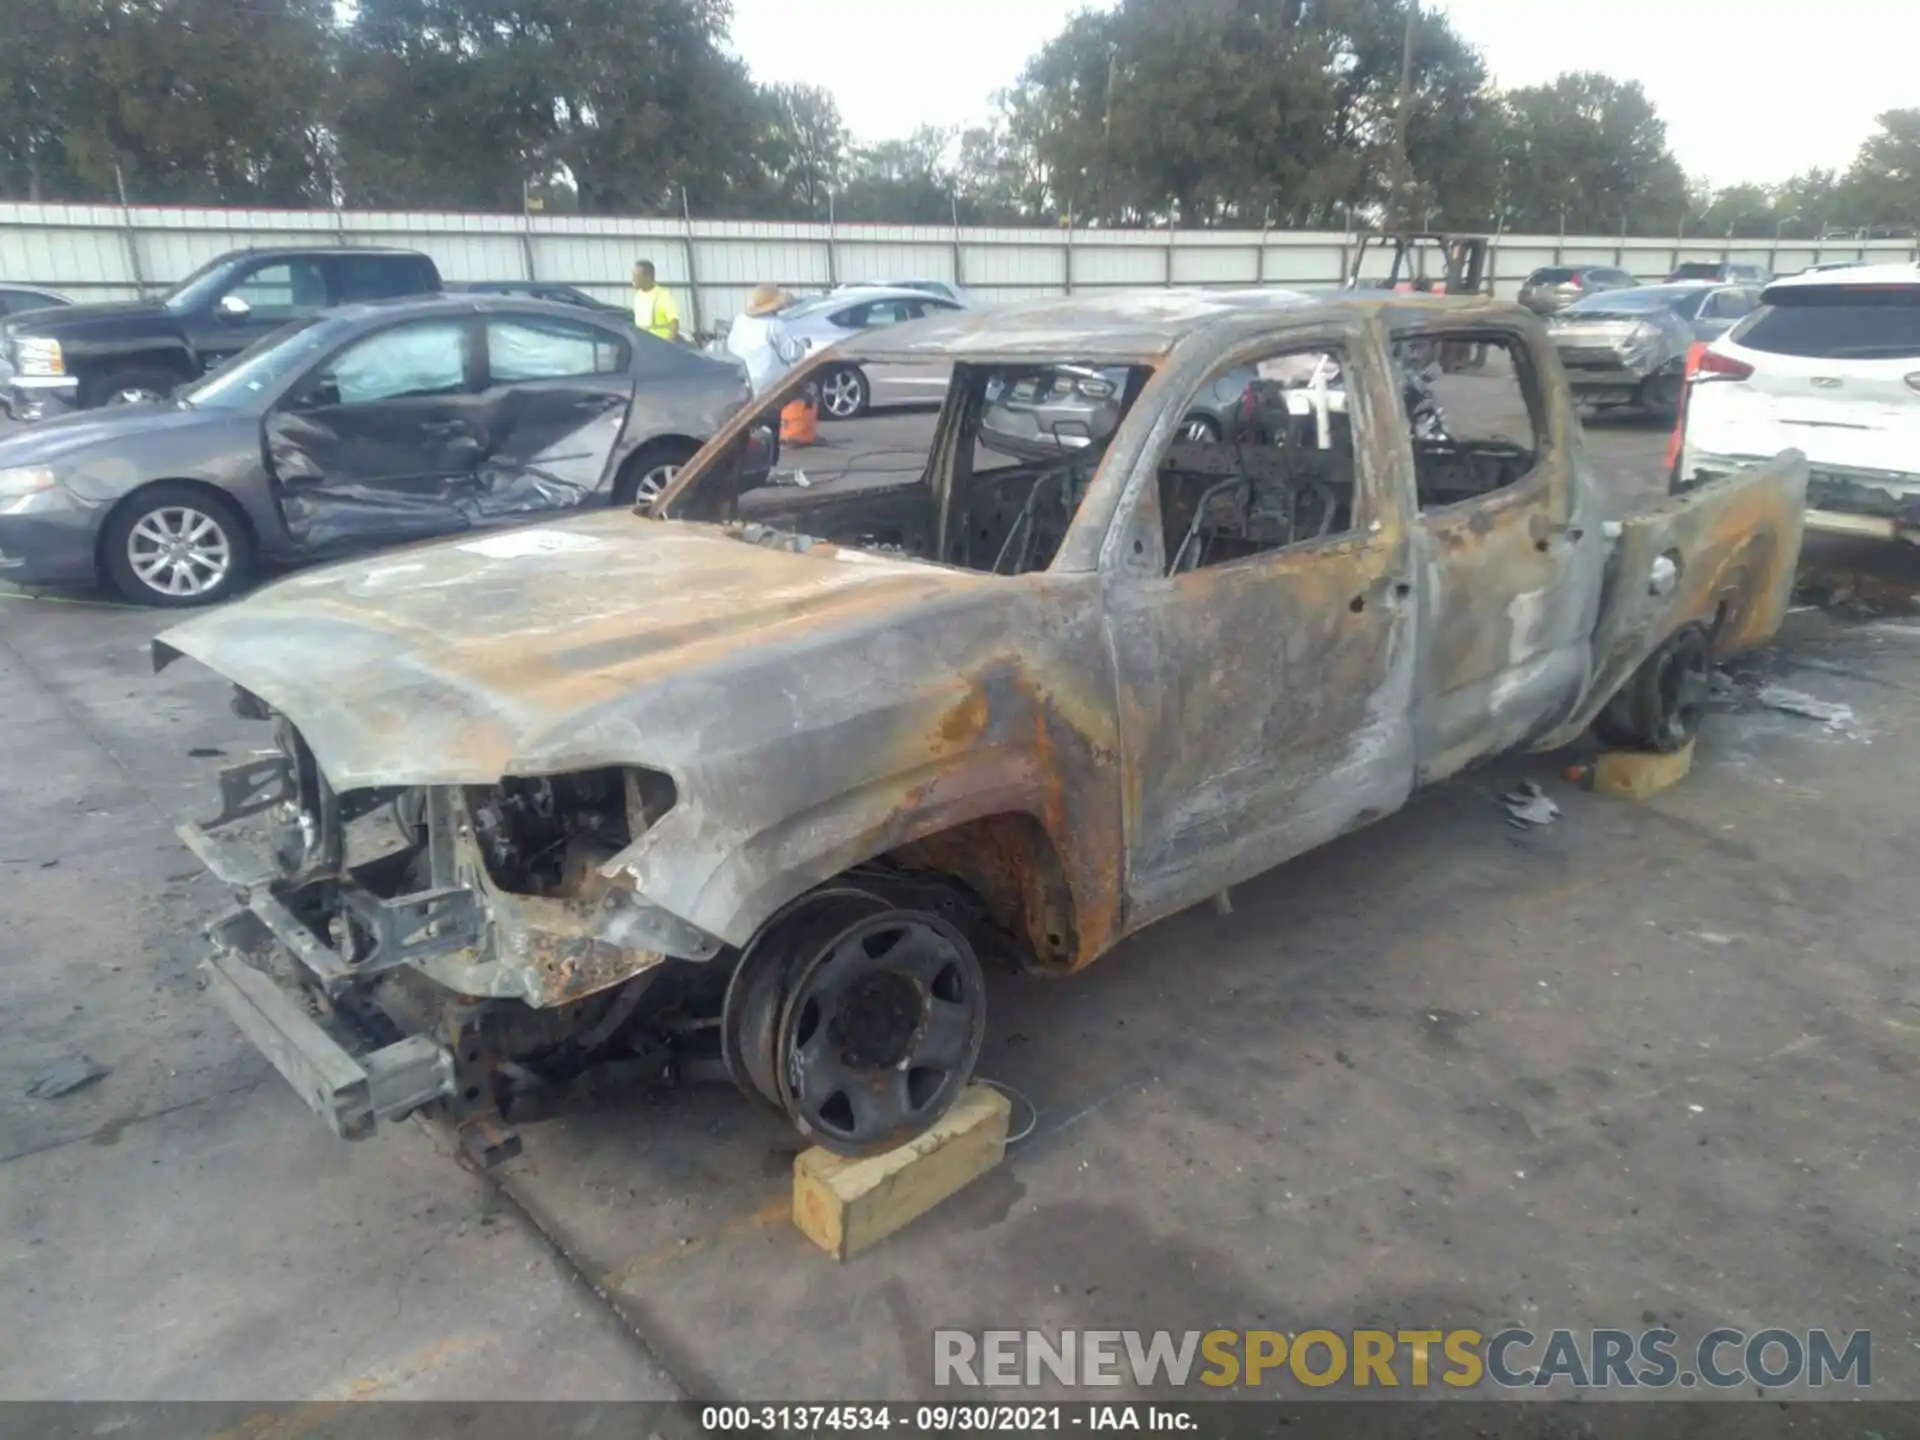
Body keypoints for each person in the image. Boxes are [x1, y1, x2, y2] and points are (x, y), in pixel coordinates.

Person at [725, 283, 805, 397]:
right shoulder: (774, 324)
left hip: (743, 380)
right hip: (771, 382)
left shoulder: (740, 320)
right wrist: (802, 344)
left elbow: (730, 346)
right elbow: (791, 354)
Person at [631, 260, 679, 342]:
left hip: (659, 344)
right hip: (643, 343)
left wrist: (669, 343)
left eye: (637, 276)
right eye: (633, 275)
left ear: (648, 277)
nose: (633, 279)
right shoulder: (638, 295)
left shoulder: (663, 296)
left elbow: (674, 322)